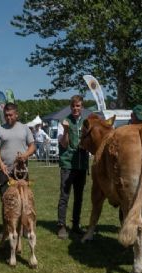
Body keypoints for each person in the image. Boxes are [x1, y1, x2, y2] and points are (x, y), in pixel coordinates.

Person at [56, 95, 89, 239]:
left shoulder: (87, 123)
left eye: (78, 106)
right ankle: (61, 226)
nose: (76, 109)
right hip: (68, 164)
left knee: (79, 197)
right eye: (74, 106)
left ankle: (76, 224)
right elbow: (64, 144)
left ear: (82, 107)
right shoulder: (63, 122)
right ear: (70, 107)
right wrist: (66, 131)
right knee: (64, 196)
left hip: (82, 165)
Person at [0, 103, 36, 199]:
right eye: (6, 115)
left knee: (24, 203)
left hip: (21, 172)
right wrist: (0, 164)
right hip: (5, 173)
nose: (8, 118)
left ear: (16, 114)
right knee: (7, 204)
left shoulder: (25, 128)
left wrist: (25, 155)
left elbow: (32, 146)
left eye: (11, 115)